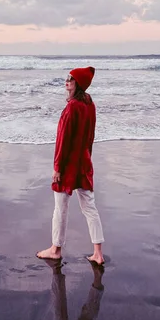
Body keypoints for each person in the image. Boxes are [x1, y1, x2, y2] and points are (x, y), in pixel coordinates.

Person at [36, 66, 105, 265]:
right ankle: (98, 253)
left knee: (61, 208)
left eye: (71, 79)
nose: (66, 81)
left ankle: (55, 249)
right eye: (67, 78)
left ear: (79, 84)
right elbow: (90, 135)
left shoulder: (72, 107)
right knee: (89, 207)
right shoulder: (90, 103)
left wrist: (57, 168)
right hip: (83, 161)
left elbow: (63, 140)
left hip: (68, 164)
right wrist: (88, 158)